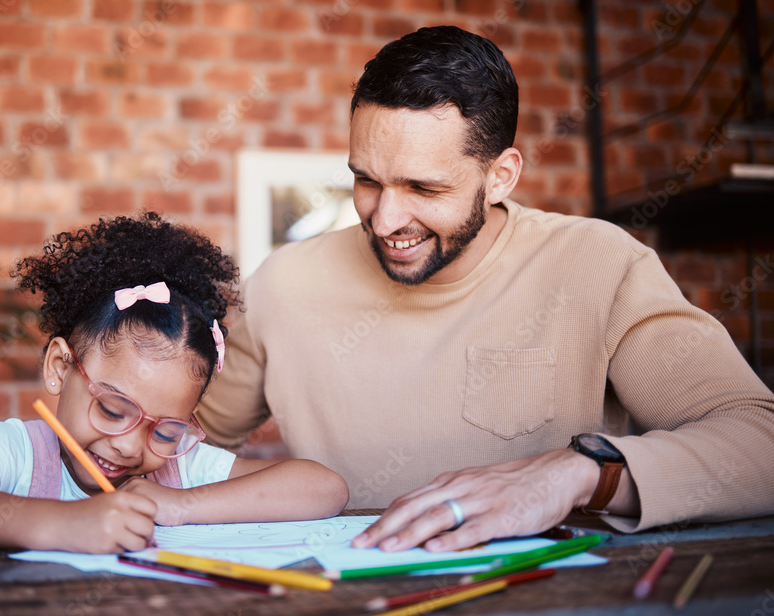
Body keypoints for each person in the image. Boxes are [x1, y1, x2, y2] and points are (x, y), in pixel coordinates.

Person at [197, 25, 774, 553]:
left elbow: (760, 442)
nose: (384, 219)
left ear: (501, 176)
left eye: (424, 188)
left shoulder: (599, 265)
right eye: (367, 180)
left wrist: (578, 473)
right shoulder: (283, 284)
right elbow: (179, 448)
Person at [0, 213, 349, 554]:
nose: (129, 446)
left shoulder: (178, 471)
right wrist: (65, 524)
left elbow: (325, 489)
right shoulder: (18, 452)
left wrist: (179, 505)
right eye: (112, 410)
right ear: (60, 368)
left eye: (164, 430)